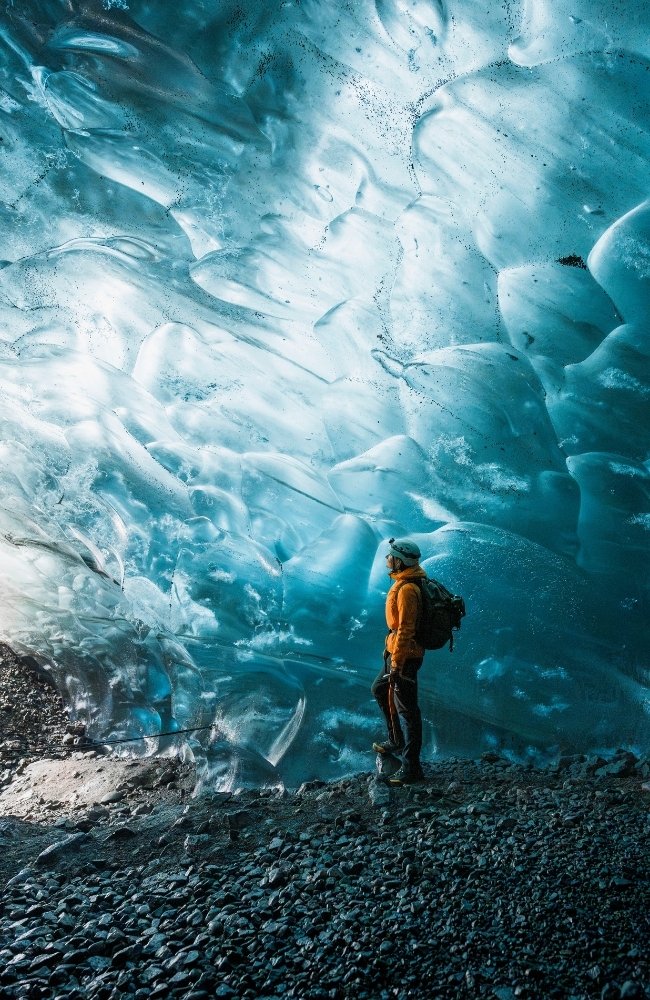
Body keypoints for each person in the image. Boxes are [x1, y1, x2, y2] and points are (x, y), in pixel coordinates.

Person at [371, 537, 426, 785]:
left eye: (391, 556)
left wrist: (397, 664)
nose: (387, 559)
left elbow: (405, 630)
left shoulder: (407, 590)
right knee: (379, 689)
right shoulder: (403, 582)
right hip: (395, 652)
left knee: (408, 711)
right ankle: (395, 739)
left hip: (405, 657)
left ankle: (412, 768)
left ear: (400, 561)